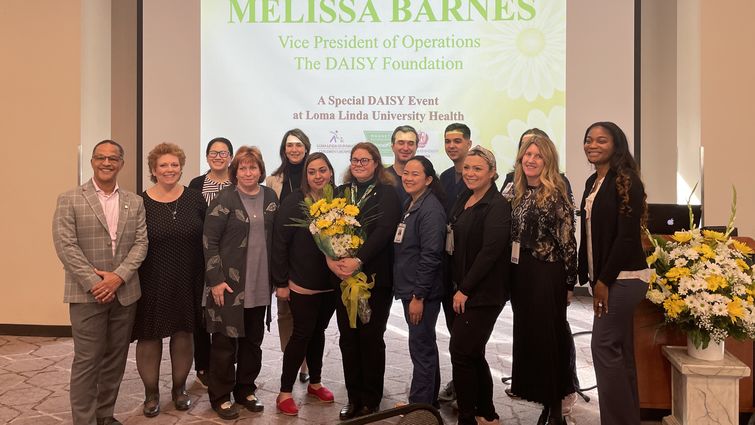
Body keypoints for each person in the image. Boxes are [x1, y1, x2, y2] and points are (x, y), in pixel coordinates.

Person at [53, 140, 148, 425]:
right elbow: (65, 245)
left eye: (113, 158)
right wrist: (96, 282)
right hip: (87, 294)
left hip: (125, 292)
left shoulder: (135, 201)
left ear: (122, 163)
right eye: (100, 158)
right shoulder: (70, 198)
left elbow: (141, 243)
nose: (107, 163)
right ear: (92, 161)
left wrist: (118, 277)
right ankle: (84, 420)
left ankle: (104, 415)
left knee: (115, 360)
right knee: (87, 361)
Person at [578, 122, 651, 425]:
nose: (592, 145)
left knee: (603, 346)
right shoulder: (593, 181)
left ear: (616, 144)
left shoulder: (626, 180)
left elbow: (626, 238)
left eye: (601, 140)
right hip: (607, 278)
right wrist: (583, 275)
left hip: (625, 277)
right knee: (620, 351)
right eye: (588, 140)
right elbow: (590, 233)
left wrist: (603, 281)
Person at [327, 142, 402, 420]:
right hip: (343, 278)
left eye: (365, 160)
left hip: (374, 279)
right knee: (348, 339)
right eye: (355, 160)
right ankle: (353, 397)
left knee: (370, 339)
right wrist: (332, 261)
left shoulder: (387, 194)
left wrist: (359, 260)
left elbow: (384, 232)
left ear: (375, 163)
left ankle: (371, 399)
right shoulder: (340, 193)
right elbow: (327, 230)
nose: (359, 164)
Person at [203, 146, 279, 420]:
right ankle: (220, 395)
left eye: (253, 167)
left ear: (260, 170)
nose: (248, 172)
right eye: (243, 168)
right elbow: (209, 242)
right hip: (229, 286)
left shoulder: (270, 197)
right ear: (236, 172)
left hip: (260, 283)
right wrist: (216, 281)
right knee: (225, 343)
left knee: (253, 341)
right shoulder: (224, 198)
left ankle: (245, 389)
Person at [132, 143, 207, 417]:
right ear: (153, 169)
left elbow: (206, 239)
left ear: (181, 167)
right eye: (163, 165)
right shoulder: (141, 201)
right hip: (152, 279)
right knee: (150, 336)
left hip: (189, 277)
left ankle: (179, 389)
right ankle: (151, 394)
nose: (169, 169)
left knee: (184, 332)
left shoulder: (195, 199)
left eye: (174, 164)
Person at [509, 135, 577, 425]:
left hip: (546, 274)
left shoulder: (556, 195)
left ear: (548, 161)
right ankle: (543, 400)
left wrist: (569, 284)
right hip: (520, 274)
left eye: (538, 155)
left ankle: (555, 410)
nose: (531, 159)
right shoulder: (516, 192)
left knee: (550, 341)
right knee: (531, 340)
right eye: (527, 154)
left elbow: (567, 243)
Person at [448, 146, 511, 425]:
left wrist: (465, 289)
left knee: (461, 352)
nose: (470, 173)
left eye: (477, 169)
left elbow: (490, 252)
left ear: (493, 173)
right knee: (473, 352)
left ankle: (467, 417)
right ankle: (487, 413)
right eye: (467, 168)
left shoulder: (497, 206)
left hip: (483, 293)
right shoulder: (465, 197)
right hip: (462, 288)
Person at [272, 152, 338, 416]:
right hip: (301, 283)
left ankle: (316, 382)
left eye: (323, 170)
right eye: (312, 172)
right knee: (302, 333)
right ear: (305, 176)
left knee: (319, 332)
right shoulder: (294, 201)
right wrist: (281, 282)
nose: (318, 176)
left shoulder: (338, 202)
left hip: (330, 283)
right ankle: (284, 392)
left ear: (331, 172)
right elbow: (280, 242)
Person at [393, 156, 446, 407]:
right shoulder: (411, 202)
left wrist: (418, 297)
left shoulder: (430, 209)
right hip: (411, 287)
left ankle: (419, 408)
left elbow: (431, 255)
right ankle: (427, 403)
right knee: (425, 346)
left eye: (415, 174)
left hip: (420, 292)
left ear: (428, 179)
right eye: (406, 172)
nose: (408, 177)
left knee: (421, 349)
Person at [265, 129, 312, 383]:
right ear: (284, 149)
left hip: (309, 258)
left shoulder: (316, 174)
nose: (294, 149)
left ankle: (307, 364)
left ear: (306, 147)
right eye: (289, 145)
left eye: (299, 145)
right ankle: (291, 361)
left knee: (308, 316)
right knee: (285, 312)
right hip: (282, 254)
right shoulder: (273, 180)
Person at [188, 136, 234, 386]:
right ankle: (203, 366)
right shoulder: (196, 184)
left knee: (228, 311)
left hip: (232, 259)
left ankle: (227, 365)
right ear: (207, 157)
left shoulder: (237, 183)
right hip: (201, 258)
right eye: (213, 153)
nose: (218, 157)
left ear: (231, 157)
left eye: (223, 152)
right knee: (203, 313)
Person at [437, 122, 472, 404]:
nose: (452, 146)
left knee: (469, 334)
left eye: (457, 140)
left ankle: (468, 389)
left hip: (471, 266)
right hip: (448, 264)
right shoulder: (445, 177)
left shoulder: (478, 175)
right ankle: (459, 381)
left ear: (468, 144)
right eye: (447, 141)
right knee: (453, 330)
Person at [385, 125, 419, 205]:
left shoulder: (425, 179)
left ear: (416, 147)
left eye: (410, 143)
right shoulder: (382, 177)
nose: (405, 148)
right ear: (392, 146)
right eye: (401, 143)